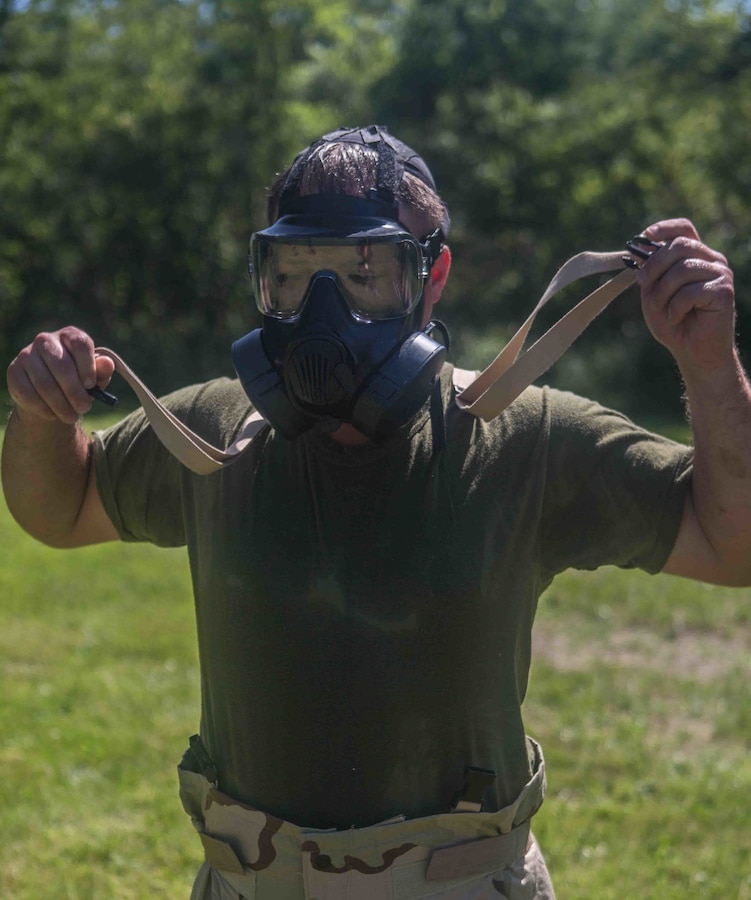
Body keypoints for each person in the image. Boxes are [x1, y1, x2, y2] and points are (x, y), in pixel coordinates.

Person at [2, 125, 749, 900]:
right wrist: (40, 418)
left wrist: (708, 365)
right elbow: (61, 510)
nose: (322, 312)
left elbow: (733, 548)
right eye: (294, 274)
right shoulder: (215, 435)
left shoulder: (526, 436)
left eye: (365, 272)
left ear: (433, 277)